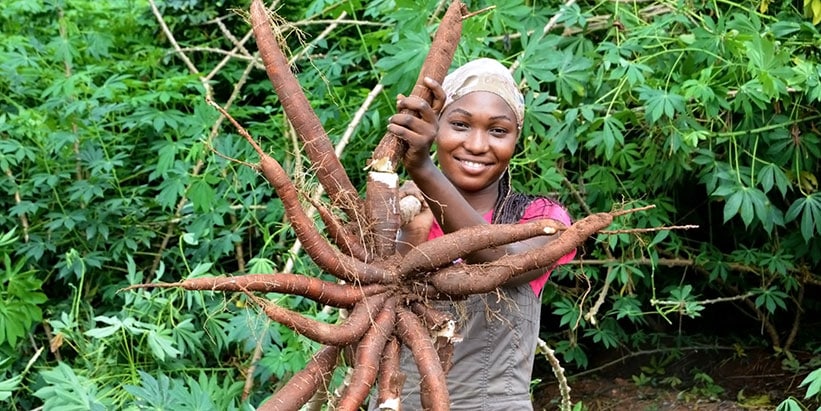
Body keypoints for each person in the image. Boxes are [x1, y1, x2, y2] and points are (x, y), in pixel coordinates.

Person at [378, 57, 576, 410]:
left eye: (498, 130)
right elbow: (359, 345)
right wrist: (408, 236)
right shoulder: (398, 212)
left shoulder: (542, 218)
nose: (477, 144)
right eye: (460, 124)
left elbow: (508, 263)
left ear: (516, 138)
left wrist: (424, 169)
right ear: (435, 127)